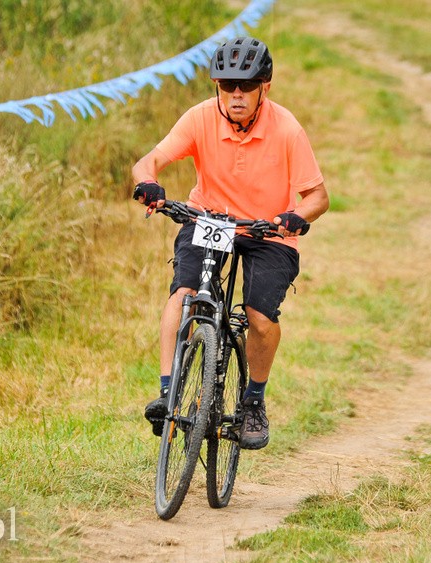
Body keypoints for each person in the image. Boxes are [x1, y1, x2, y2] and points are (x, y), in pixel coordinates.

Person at [131, 36, 328, 450]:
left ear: (265, 88)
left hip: (268, 231)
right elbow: (146, 162)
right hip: (210, 220)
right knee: (184, 295)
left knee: (258, 317)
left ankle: (253, 401)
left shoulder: (287, 128)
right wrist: (148, 183)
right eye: (226, 86)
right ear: (217, 86)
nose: (236, 95)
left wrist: (295, 216)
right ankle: (168, 394)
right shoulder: (200, 118)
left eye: (247, 86)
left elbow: (318, 198)